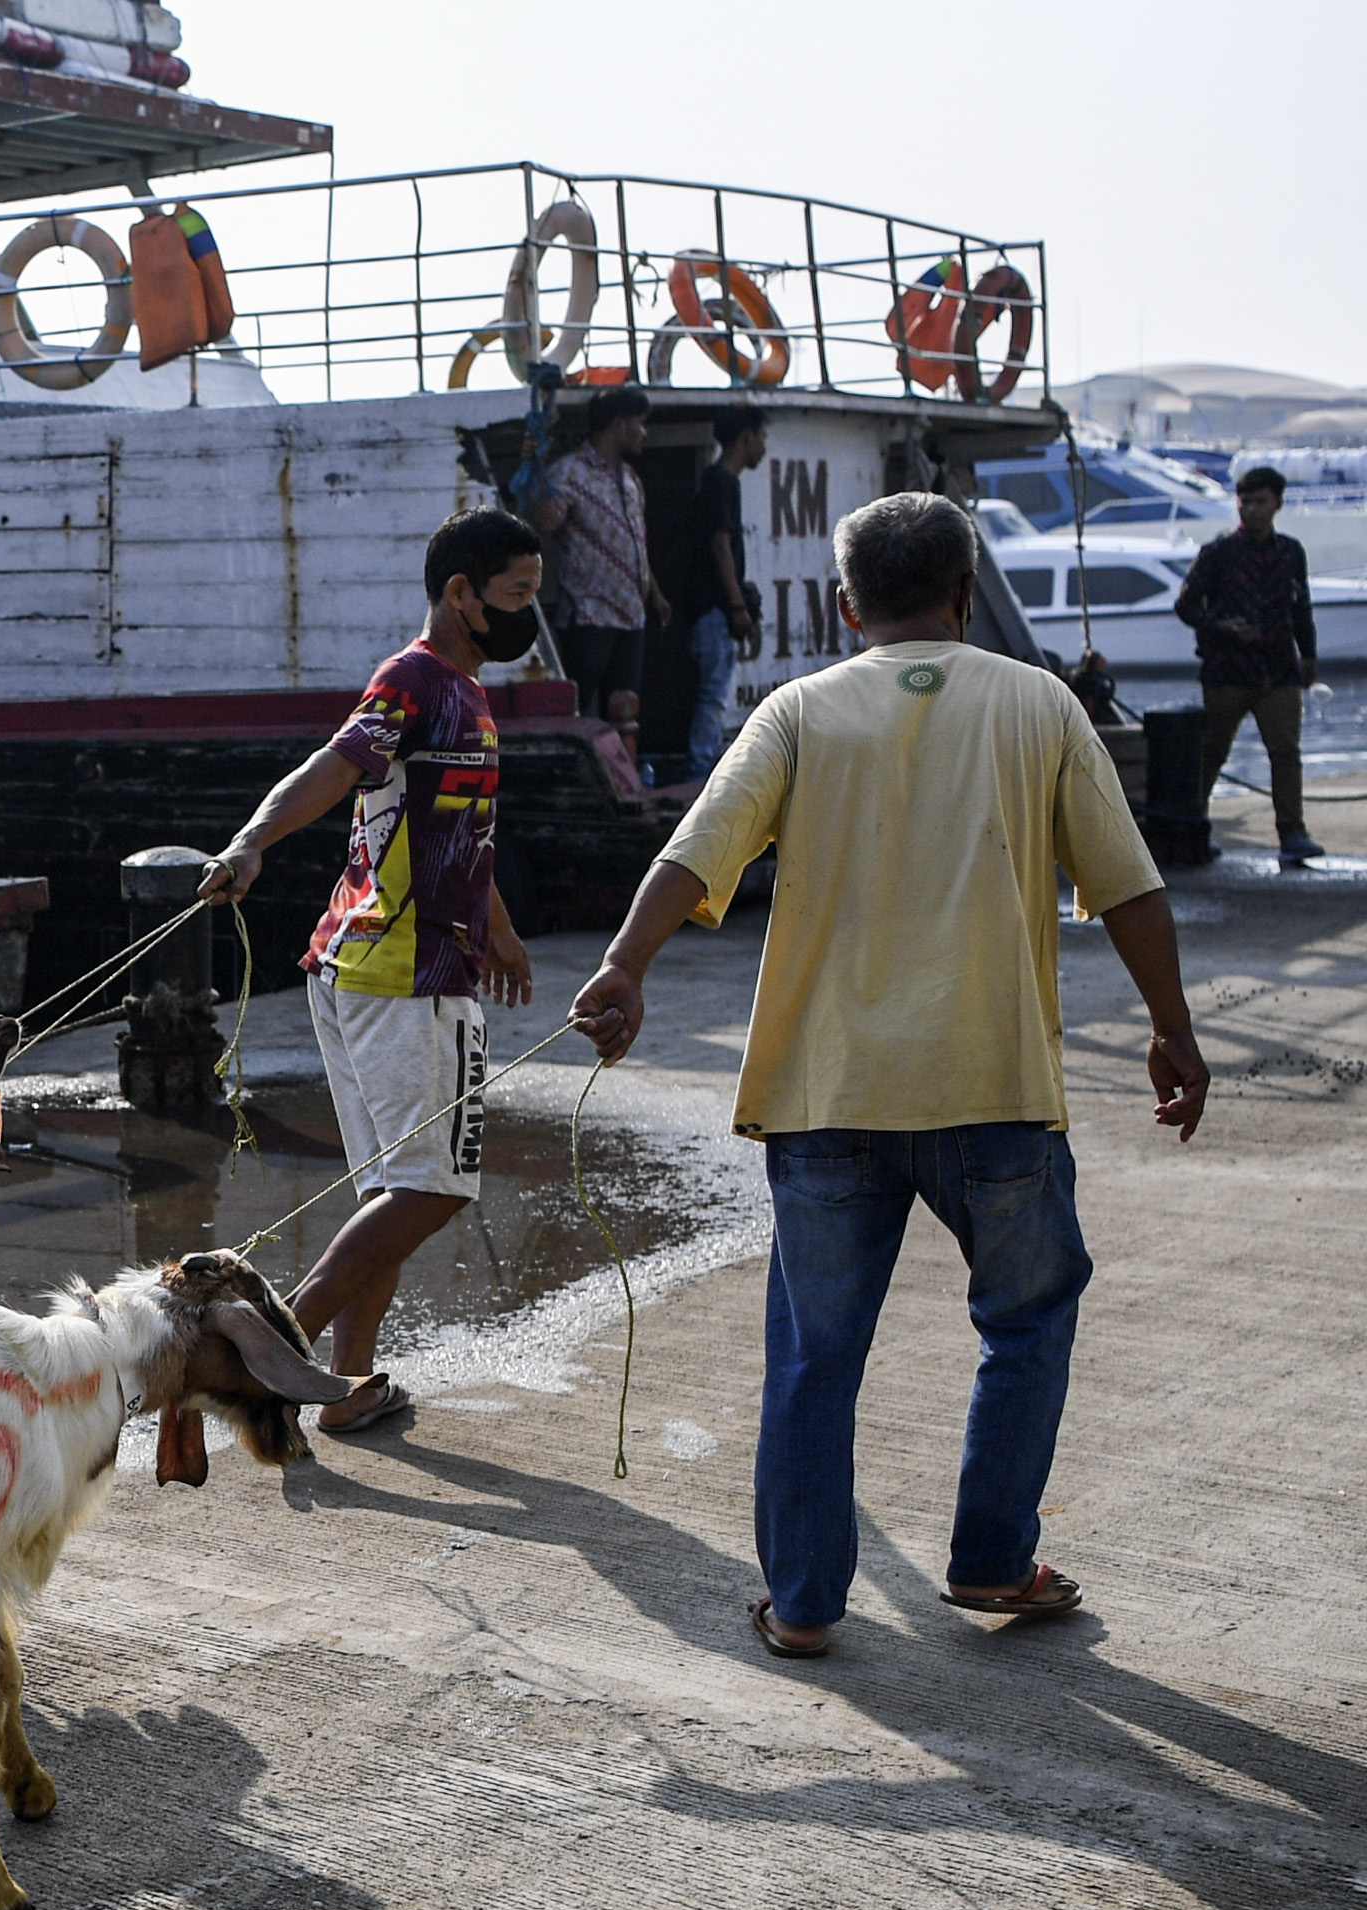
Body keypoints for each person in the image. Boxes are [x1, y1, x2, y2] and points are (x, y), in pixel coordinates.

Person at [569, 492, 1207, 1661]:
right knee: (1025, 1326)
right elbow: (1130, 889)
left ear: (848, 604)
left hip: (828, 1097)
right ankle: (993, 1561)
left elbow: (693, 852)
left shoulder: (799, 713)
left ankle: (805, 1607)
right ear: (964, 594)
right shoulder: (1038, 705)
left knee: (814, 1358)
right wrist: (1172, 1031)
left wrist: (622, 967)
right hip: (998, 1089)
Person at [195, 504, 542, 1437]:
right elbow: (333, 766)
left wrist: (499, 929)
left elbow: (458, 836)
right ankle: (269, 1350)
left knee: (392, 1192)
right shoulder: (416, 679)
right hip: (403, 975)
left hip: (380, 968)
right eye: (514, 596)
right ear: (460, 594)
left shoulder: (463, 695)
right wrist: (252, 839)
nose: (526, 615)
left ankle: (345, 1388)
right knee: (431, 1188)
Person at [1173, 465, 1324, 866]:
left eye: (1260, 502)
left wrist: (1308, 656)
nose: (1252, 510)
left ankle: (1293, 833)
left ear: (1277, 504)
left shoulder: (1290, 552)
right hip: (1227, 672)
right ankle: (1194, 829)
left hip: (1278, 670)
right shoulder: (1218, 552)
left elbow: (1301, 607)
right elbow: (1185, 606)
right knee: (1212, 752)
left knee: (1286, 753)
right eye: (1245, 502)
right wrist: (1221, 626)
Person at [530, 390, 667, 765]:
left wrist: (653, 594)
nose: (644, 433)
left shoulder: (629, 480)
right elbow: (543, 523)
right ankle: (582, 776)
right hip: (590, 616)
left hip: (631, 615)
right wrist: (537, 474)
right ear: (619, 425)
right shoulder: (569, 472)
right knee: (584, 708)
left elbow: (635, 542)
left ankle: (625, 776)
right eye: (639, 424)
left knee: (625, 708)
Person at [671, 405, 770, 783]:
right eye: (761, 437)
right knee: (713, 691)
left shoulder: (719, 482)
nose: (763, 446)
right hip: (713, 609)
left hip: (708, 607)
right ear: (746, 437)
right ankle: (700, 769)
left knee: (711, 690)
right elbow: (720, 543)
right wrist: (735, 604)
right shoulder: (721, 482)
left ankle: (702, 764)